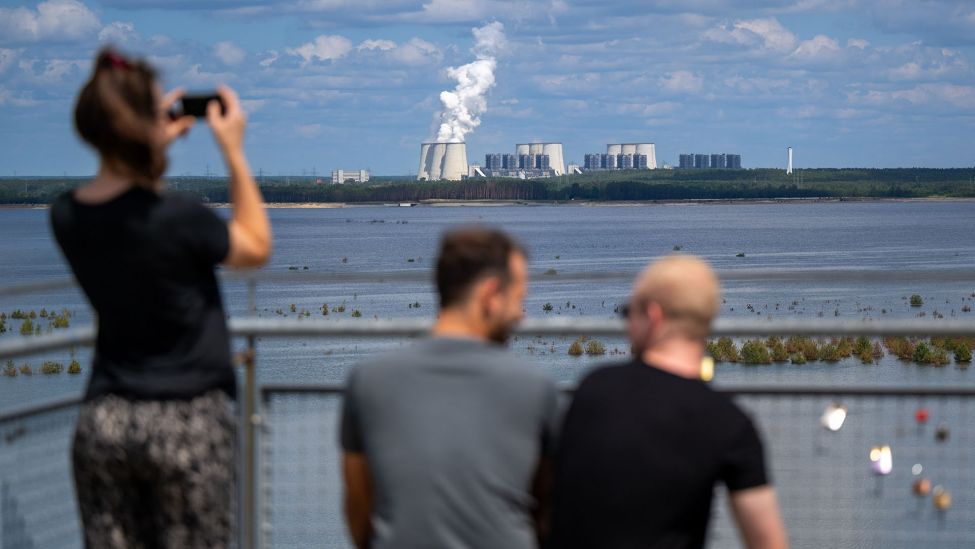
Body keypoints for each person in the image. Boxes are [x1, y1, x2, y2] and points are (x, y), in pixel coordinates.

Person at [50, 48, 271, 548]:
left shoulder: (65, 215)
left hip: (104, 419)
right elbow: (255, 246)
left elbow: (125, 202)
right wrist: (233, 150)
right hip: (188, 419)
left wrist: (149, 140)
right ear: (147, 124)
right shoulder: (178, 216)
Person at [341, 227, 560, 549]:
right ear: (490, 295)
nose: (521, 315)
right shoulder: (535, 387)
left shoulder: (368, 380)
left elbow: (359, 509)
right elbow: (547, 508)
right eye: (518, 300)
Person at [550, 255, 788, 549]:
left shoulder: (594, 388)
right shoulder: (730, 423)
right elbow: (767, 541)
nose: (626, 326)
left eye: (628, 313)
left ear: (653, 316)